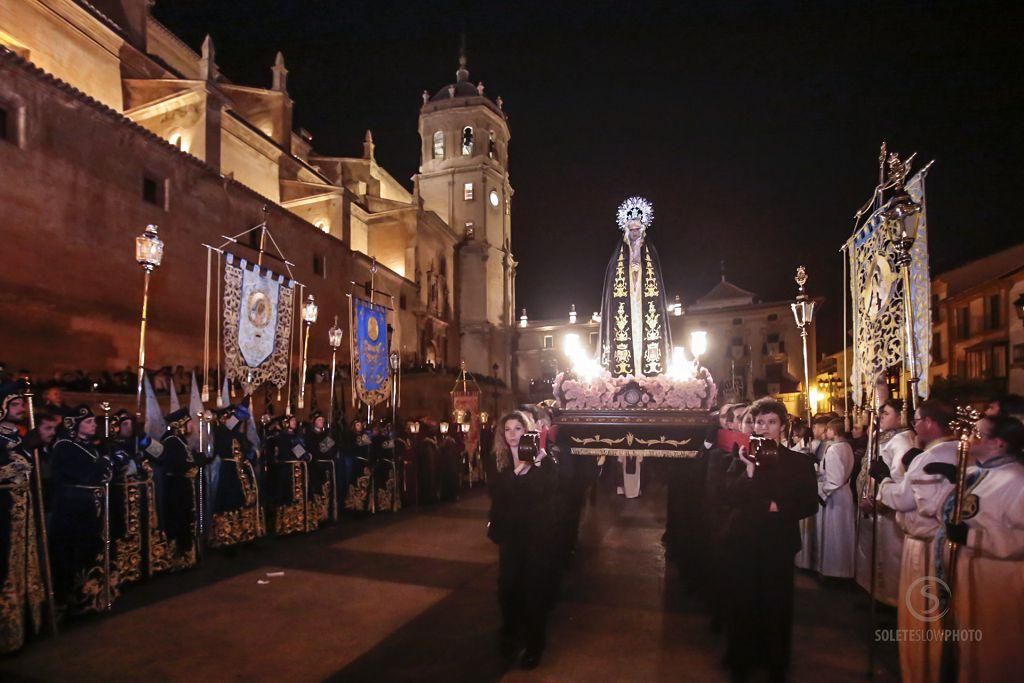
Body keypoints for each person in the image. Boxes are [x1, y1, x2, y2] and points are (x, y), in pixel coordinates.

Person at [719, 397, 819, 682]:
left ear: (783, 427)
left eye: (771, 422)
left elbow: (809, 504)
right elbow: (727, 494)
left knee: (777, 603)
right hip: (744, 539)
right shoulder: (742, 456)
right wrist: (749, 472)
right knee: (744, 600)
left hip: (778, 542)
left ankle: (776, 661)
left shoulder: (799, 462)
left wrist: (778, 507)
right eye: (760, 422)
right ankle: (742, 659)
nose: (764, 428)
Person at [871, 399, 957, 683]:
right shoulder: (958, 451)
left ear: (931, 423)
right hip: (946, 544)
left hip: (924, 545)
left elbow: (906, 499)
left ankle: (922, 669)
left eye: (917, 419)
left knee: (921, 612)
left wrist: (884, 481)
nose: (914, 425)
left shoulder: (929, 458)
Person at [935, 415, 1024, 682]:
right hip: (969, 575)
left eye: (978, 434)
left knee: (992, 653)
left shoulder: (1016, 480)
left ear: (998, 444)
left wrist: (973, 538)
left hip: (996, 581)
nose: (970, 439)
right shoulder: (980, 472)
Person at [596, 197, 673, 497]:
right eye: (630, 230)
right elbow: (611, 293)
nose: (634, 234)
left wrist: (640, 267)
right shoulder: (617, 258)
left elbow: (657, 288)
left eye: (638, 229)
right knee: (626, 337)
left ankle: (648, 371)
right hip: (624, 313)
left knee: (646, 329)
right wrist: (630, 266)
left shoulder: (651, 252)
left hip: (645, 305)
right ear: (624, 230)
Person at [488, 411, 559, 669]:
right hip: (510, 534)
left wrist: (538, 466)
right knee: (507, 587)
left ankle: (534, 644)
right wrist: (515, 475)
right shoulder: (500, 460)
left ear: (526, 431)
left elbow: (549, 492)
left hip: (534, 536)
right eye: (508, 430)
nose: (512, 434)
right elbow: (496, 492)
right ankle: (510, 633)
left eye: (517, 429)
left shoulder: (542, 460)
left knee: (533, 589)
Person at [49, 404, 116, 614]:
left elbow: (105, 475)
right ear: (74, 426)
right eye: (88, 422)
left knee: (91, 548)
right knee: (73, 551)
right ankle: (75, 597)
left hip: (89, 507)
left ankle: (92, 595)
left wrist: (103, 463)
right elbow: (93, 474)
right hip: (73, 508)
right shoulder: (65, 446)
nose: (93, 425)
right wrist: (105, 460)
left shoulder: (88, 447)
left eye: (94, 421)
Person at [855, 399, 915, 605]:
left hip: (885, 508)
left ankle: (890, 601)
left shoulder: (902, 441)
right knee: (872, 551)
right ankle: (873, 594)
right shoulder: (880, 436)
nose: (880, 417)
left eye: (886, 413)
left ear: (901, 416)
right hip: (869, 504)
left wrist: (877, 499)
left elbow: (899, 476)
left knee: (889, 556)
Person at [0, 383, 45, 653]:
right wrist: (27, 449)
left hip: (23, 511)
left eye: (20, 404)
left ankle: (28, 620)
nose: (19, 409)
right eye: (14, 405)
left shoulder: (15, 436)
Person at [150, 408, 204, 573]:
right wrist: (195, 463)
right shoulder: (172, 441)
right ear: (181, 425)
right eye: (189, 423)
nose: (193, 426)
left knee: (185, 518)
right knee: (179, 519)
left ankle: (186, 555)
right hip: (176, 488)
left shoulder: (178, 441)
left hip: (182, 487)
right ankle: (178, 557)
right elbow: (176, 464)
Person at [209, 405, 264, 548]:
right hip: (230, 472)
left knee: (244, 501)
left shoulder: (238, 435)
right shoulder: (221, 432)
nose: (235, 421)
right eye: (231, 417)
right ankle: (228, 536)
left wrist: (252, 455)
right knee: (230, 501)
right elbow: (222, 447)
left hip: (242, 471)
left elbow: (250, 449)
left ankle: (246, 533)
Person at [815, 418, 856, 579]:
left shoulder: (833, 449)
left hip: (835, 496)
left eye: (829, 429)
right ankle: (844, 569)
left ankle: (835, 571)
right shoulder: (846, 446)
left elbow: (835, 479)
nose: (827, 432)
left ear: (834, 430)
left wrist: (822, 490)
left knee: (835, 534)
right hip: (844, 493)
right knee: (843, 532)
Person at [269, 415, 311, 534]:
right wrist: (305, 456)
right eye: (292, 420)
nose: (295, 422)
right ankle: (287, 524)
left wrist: (306, 456)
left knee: (297, 495)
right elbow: (294, 450)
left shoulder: (296, 436)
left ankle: (298, 521)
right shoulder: (283, 437)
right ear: (285, 423)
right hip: (288, 469)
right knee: (288, 495)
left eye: (294, 420)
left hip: (297, 468)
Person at [304, 411, 339, 526]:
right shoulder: (310, 435)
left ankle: (327, 515)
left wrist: (330, 442)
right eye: (319, 420)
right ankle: (317, 516)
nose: (321, 422)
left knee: (328, 490)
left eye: (323, 420)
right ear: (314, 422)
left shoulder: (326, 434)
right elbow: (315, 450)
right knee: (318, 490)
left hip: (327, 466)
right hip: (317, 466)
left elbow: (332, 449)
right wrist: (325, 445)